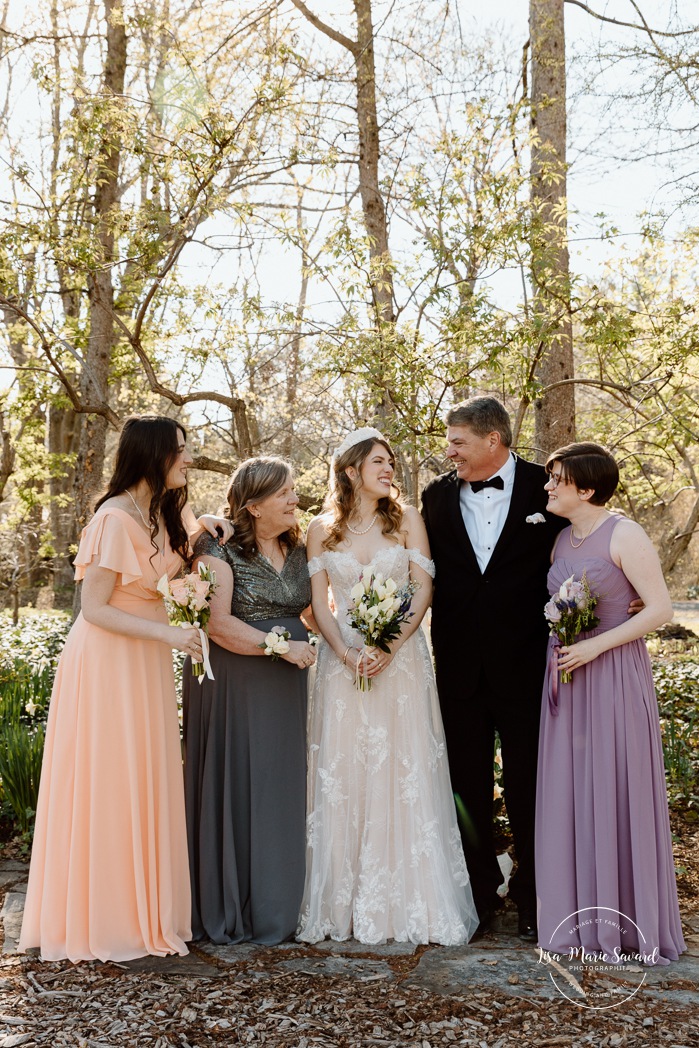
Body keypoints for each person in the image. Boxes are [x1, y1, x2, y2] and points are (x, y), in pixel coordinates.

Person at [19, 415, 233, 962]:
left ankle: (146, 913)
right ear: (154, 454)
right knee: (110, 780)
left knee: (145, 775)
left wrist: (204, 522)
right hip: (107, 661)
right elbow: (93, 609)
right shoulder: (113, 519)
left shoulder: (163, 512)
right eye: (181, 451)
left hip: (146, 661)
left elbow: (176, 559)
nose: (189, 459)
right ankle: (103, 917)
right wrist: (168, 631)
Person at [297, 427, 478, 946]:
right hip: (342, 665)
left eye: (391, 462)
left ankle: (410, 903)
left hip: (399, 663)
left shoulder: (407, 520)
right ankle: (342, 903)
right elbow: (319, 605)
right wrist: (347, 652)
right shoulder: (321, 529)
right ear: (351, 470)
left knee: (402, 770)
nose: (389, 470)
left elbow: (423, 589)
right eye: (379, 461)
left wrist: (390, 646)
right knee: (346, 772)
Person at [421, 397, 566, 940]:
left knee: (531, 786)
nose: (449, 451)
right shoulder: (434, 496)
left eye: (457, 441)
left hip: (528, 666)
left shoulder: (545, 487)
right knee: (466, 788)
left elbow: (587, 535)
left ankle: (535, 899)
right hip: (458, 668)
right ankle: (478, 898)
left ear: (493, 440)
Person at [535, 442, 685, 965]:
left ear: (587, 487)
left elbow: (661, 609)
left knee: (614, 785)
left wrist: (595, 645)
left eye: (557, 479)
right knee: (571, 790)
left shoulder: (625, 533)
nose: (548, 486)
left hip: (614, 675)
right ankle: (576, 918)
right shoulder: (558, 542)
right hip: (567, 679)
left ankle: (627, 924)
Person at [183, 456, 316, 945]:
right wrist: (279, 647)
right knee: (242, 783)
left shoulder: (298, 549)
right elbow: (216, 624)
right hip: (236, 681)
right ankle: (236, 905)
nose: (295, 500)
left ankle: (280, 904)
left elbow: (312, 610)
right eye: (285, 493)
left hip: (288, 681)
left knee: (281, 786)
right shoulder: (217, 548)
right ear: (255, 505)